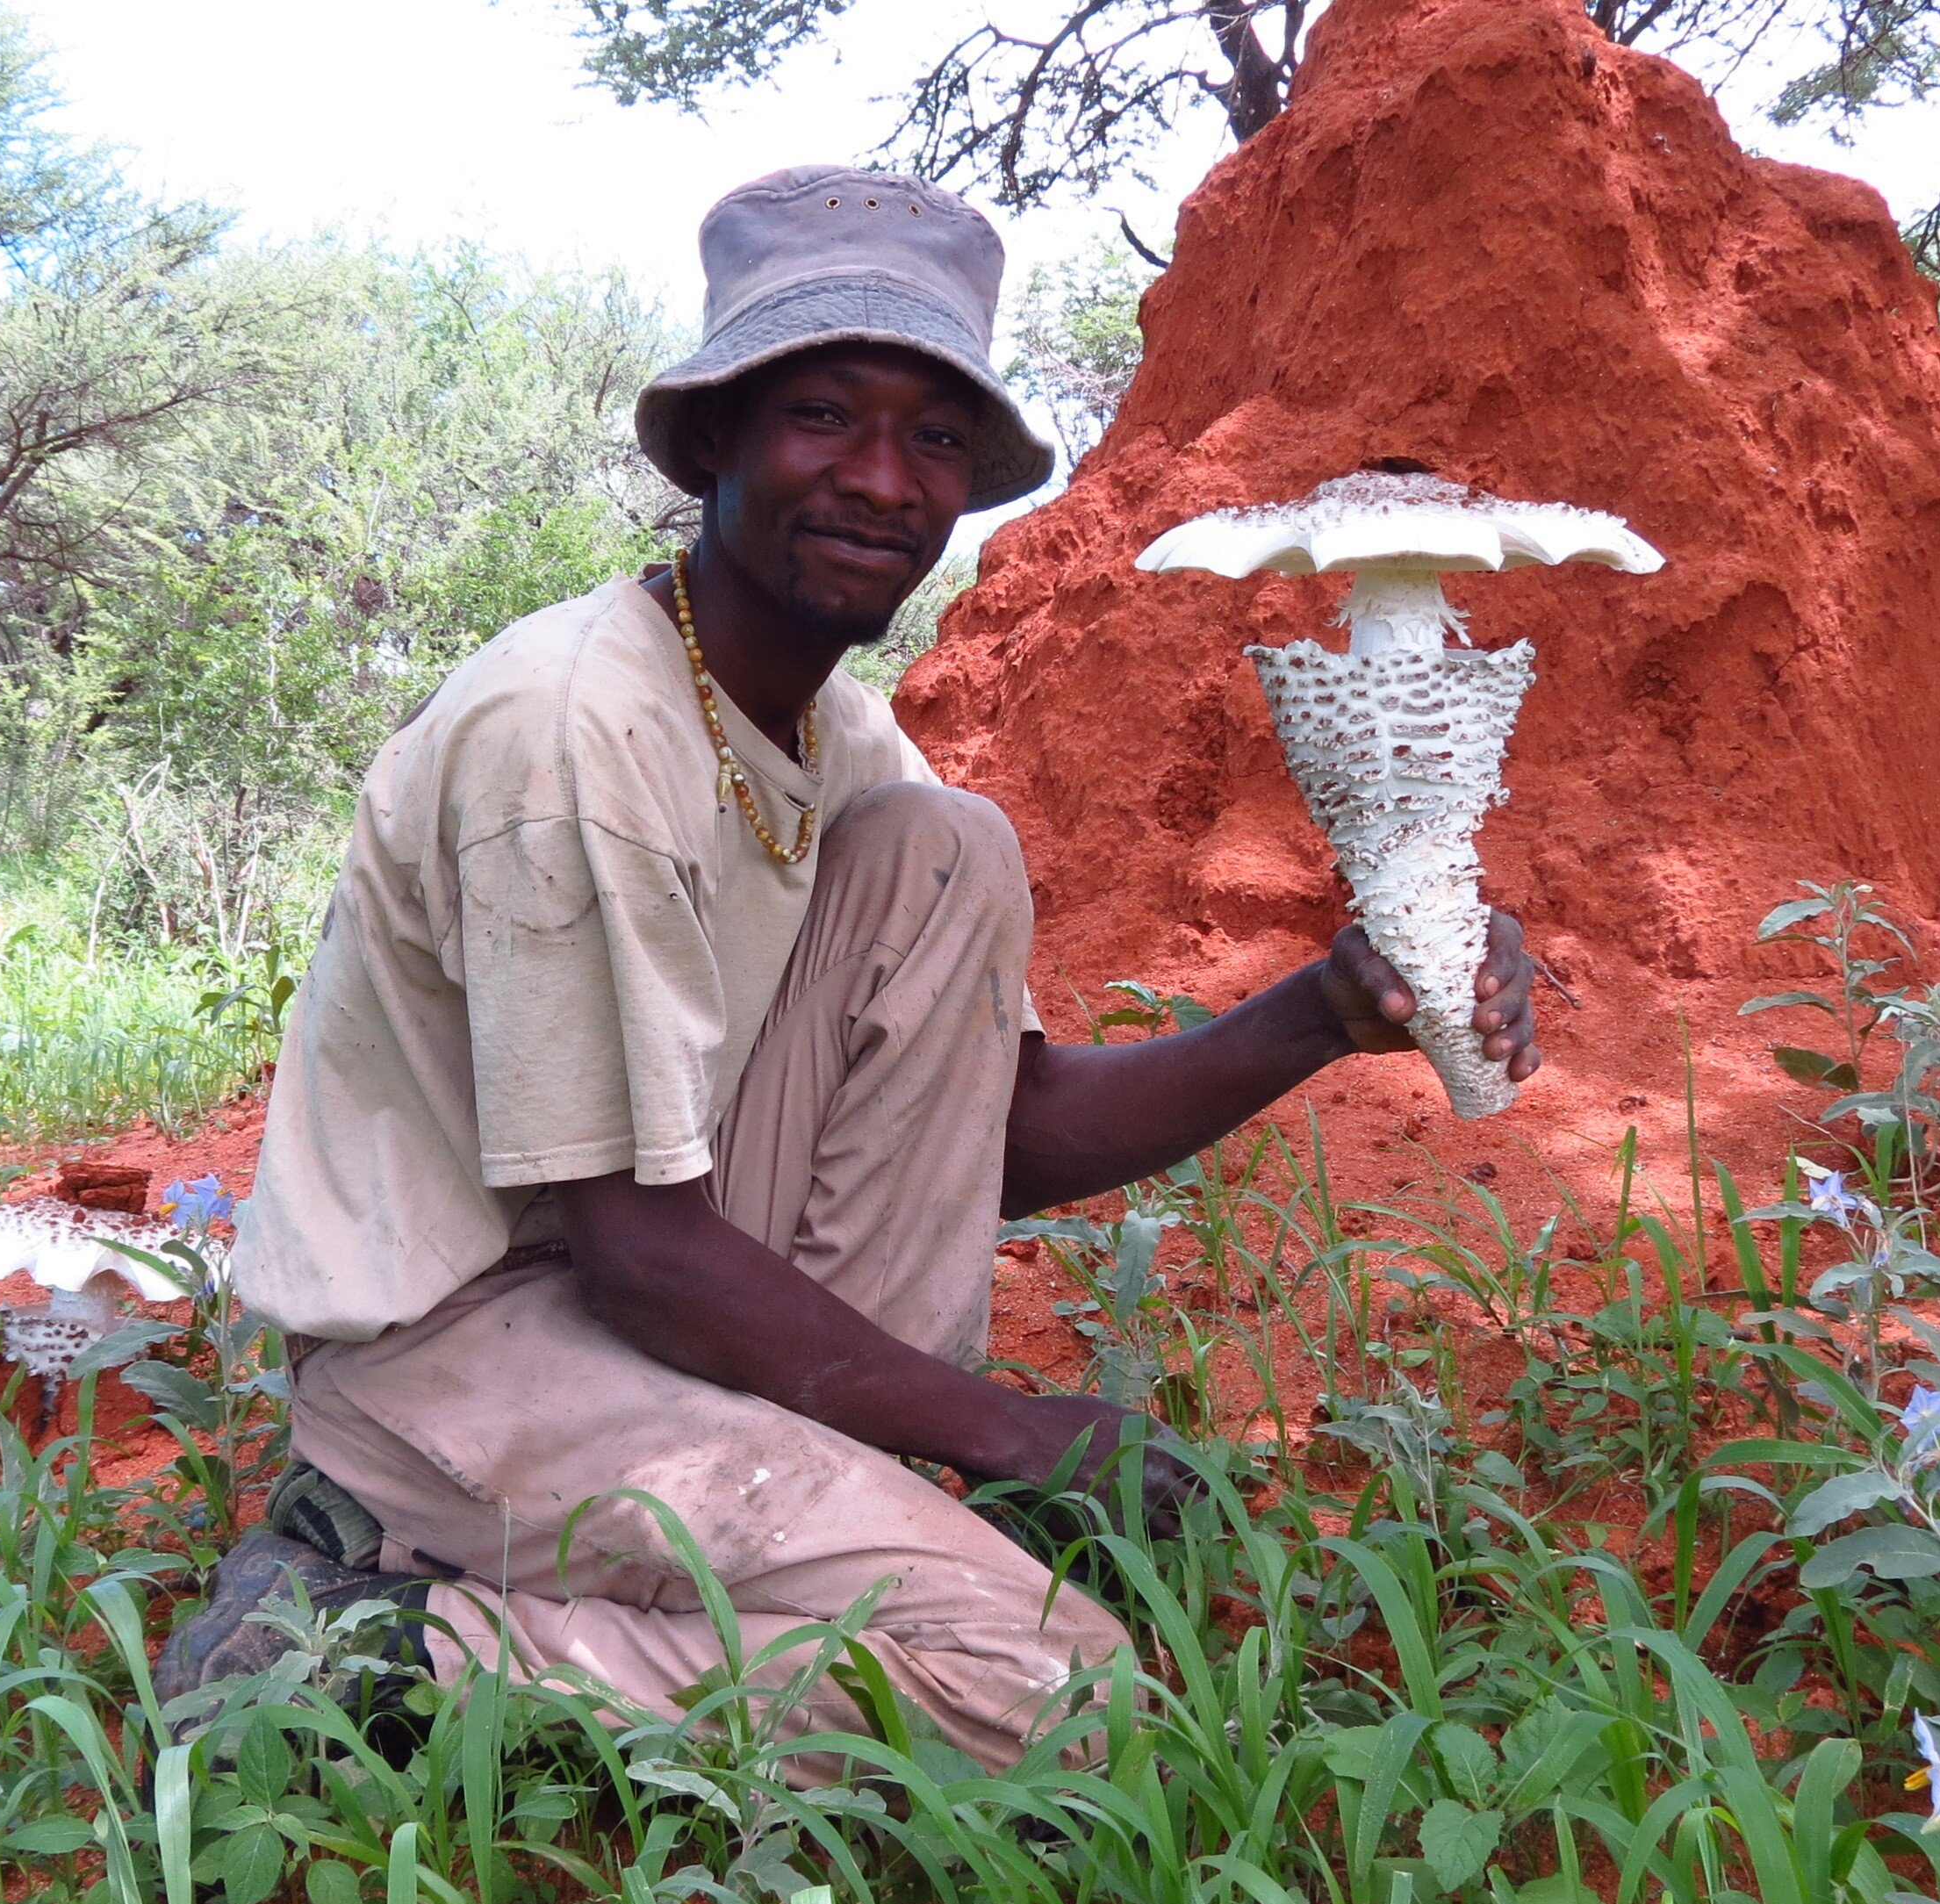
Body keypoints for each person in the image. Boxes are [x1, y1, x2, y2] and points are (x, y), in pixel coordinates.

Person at [158, 164, 1542, 1769]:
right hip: (462, 1347)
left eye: (936, 438)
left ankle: (737, 1536)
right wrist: (1013, 1436)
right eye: (825, 415)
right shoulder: (573, 729)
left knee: (953, 845)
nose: (884, 479)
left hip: (648, 1293)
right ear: (718, 441)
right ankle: (372, 1647)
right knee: (1058, 1694)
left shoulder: (841, 735)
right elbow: (632, 1243)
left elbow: (1004, 1136)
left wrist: (1324, 1011)